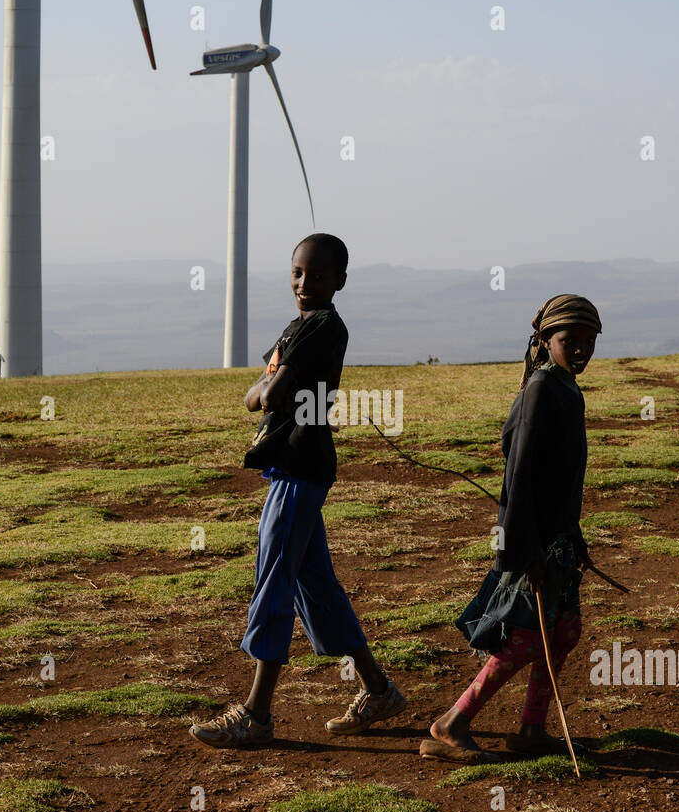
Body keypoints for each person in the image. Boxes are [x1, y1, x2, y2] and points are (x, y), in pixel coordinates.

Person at [189, 233, 406, 748]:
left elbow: (268, 395)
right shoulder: (299, 327)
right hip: (294, 467)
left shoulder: (324, 327)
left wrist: (267, 391)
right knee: (314, 584)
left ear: (341, 281)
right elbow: (257, 394)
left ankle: (256, 715)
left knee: (275, 580)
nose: (305, 284)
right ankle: (378, 690)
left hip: (301, 468)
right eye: (298, 274)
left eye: (318, 275)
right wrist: (266, 390)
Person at [421, 294, 600, 763]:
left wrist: (574, 538)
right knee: (527, 636)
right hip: (533, 543)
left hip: (557, 540)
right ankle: (452, 722)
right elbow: (517, 481)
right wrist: (524, 553)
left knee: (562, 632)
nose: (580, 348)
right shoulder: (542, 390)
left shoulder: (567, 387)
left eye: (589, 341)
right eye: (570, 340)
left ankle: (532, 729)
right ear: (545, 340)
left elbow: (560, 480)